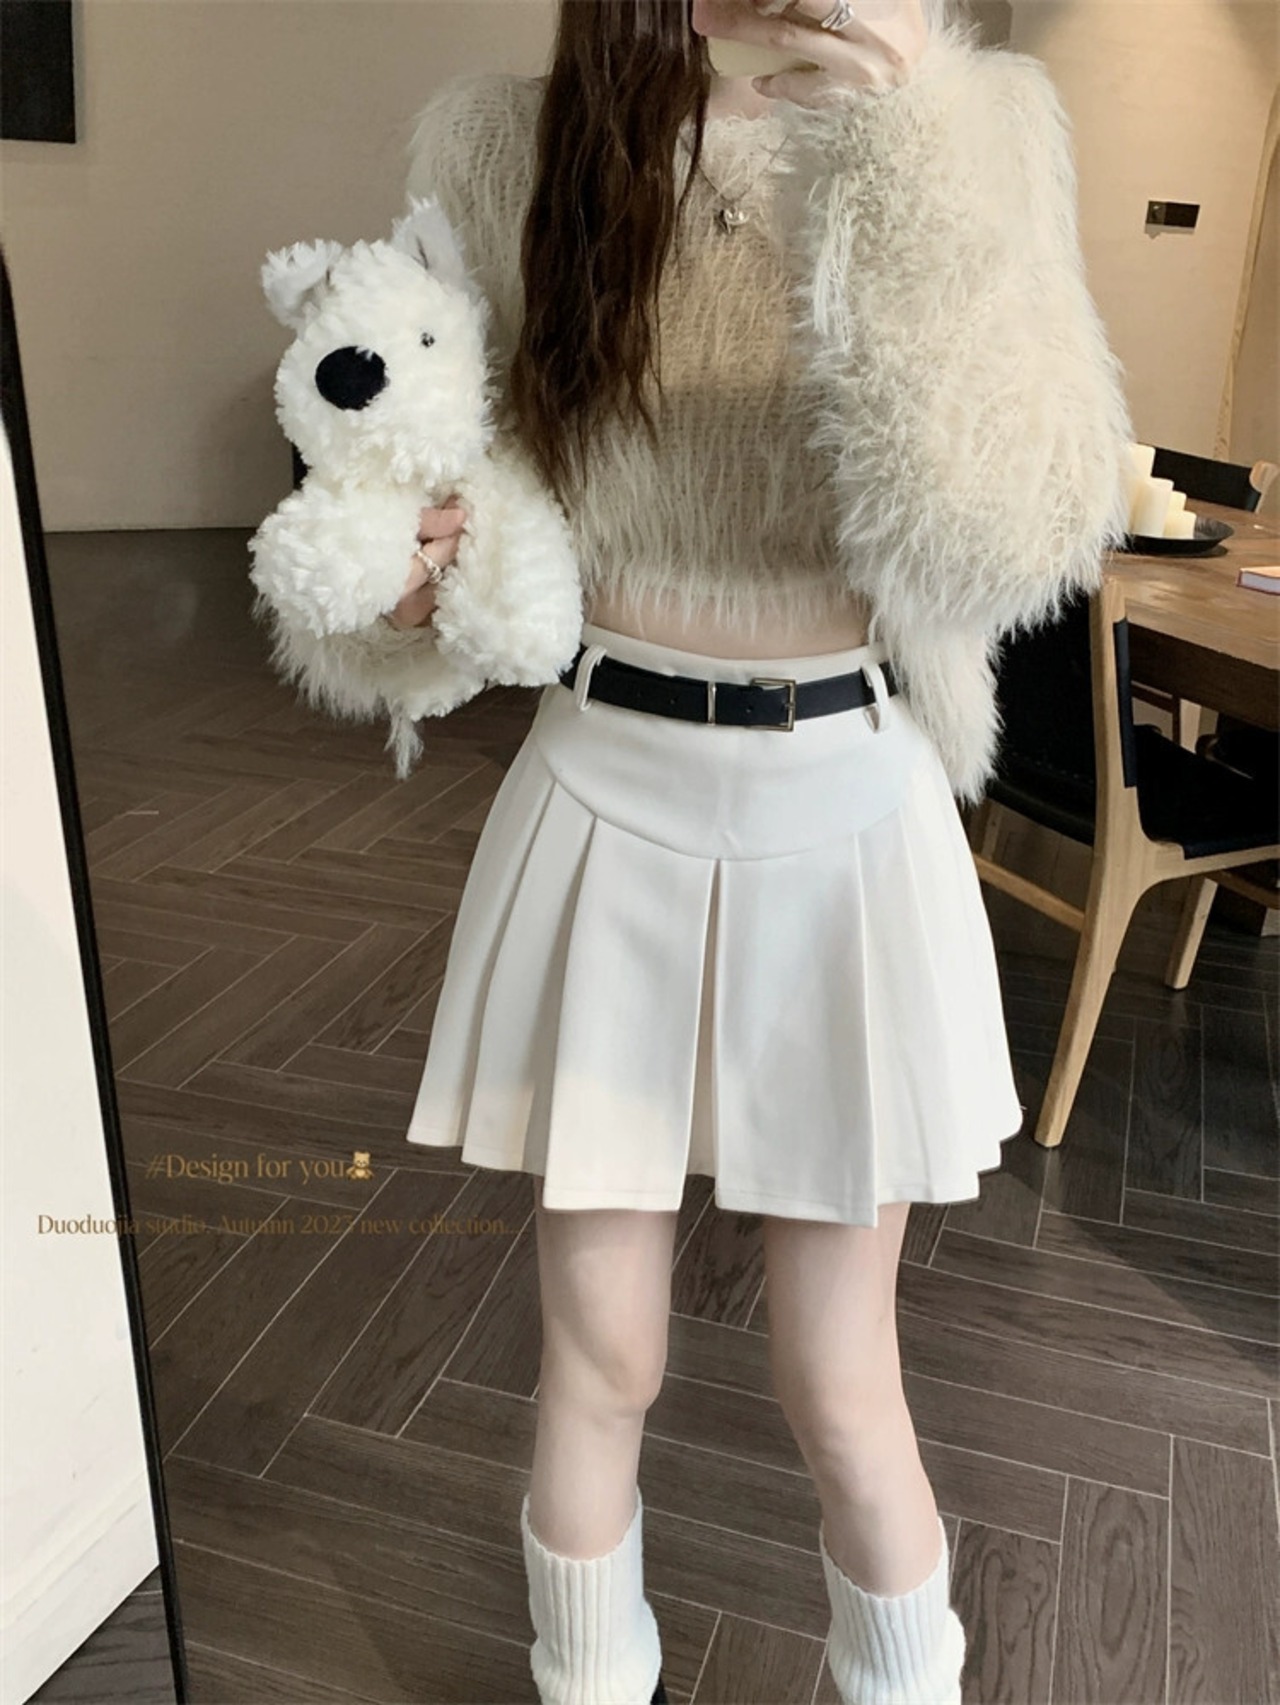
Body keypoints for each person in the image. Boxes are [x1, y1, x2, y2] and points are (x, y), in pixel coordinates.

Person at [305, 1, 1134, 1700]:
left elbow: (1015, 530)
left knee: (842, 1379)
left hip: (845, 798)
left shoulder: (983, 127)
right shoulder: (505, 141)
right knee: (599, 1354)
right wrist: (401, 575)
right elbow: (433, 468)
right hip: (602, 778)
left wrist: (905, 151)